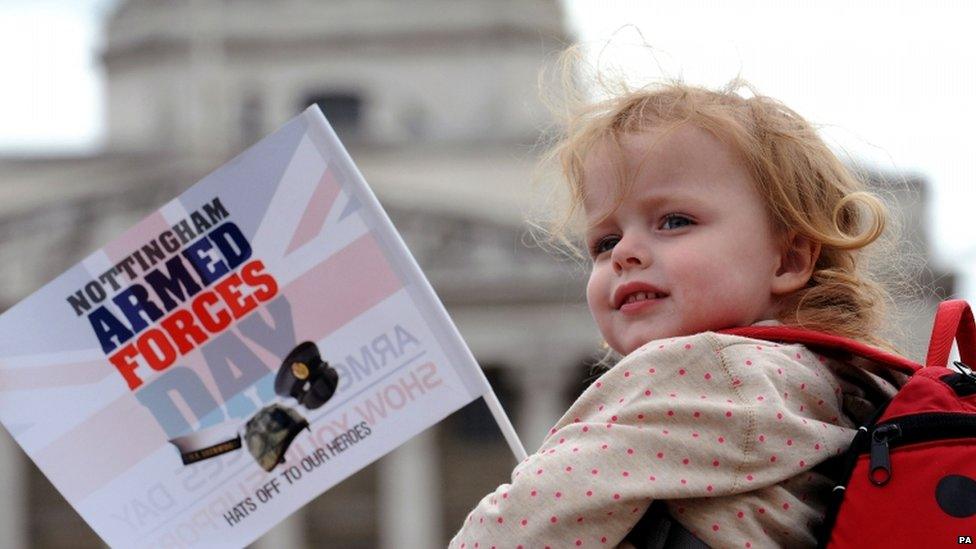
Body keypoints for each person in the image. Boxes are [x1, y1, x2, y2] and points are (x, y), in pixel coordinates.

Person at [449, 67, 908, 548]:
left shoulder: (702, 372)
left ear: (790, 259)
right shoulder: (849, 382)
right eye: (605, 241)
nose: (625, 251)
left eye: (673, 221)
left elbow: (524, 524)